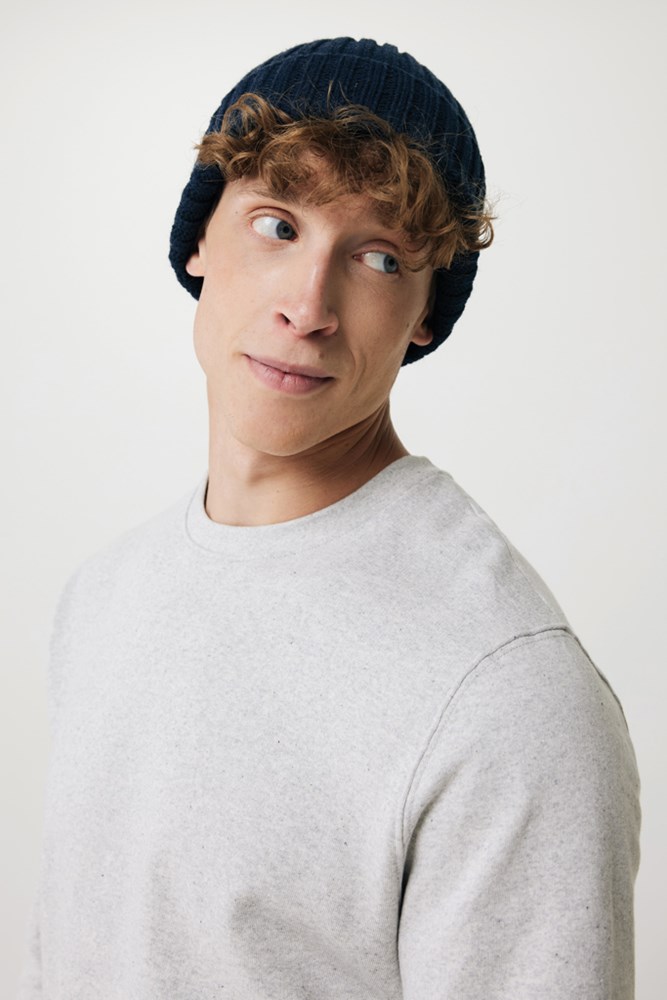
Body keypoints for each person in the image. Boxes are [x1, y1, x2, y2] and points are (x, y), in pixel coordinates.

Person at [18, 37, 640, 1000]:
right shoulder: (105, 596)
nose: (309, 306)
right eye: (276, 225)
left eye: (379, 257)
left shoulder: (507, 693)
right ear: (197, 241)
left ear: (424, 314)